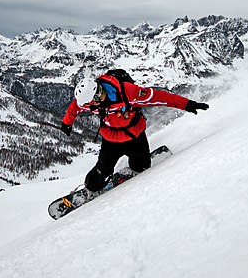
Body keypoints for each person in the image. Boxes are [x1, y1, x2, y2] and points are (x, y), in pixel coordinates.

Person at [61, 69, 208, 192]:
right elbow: (75, 107)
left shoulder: (128, 92)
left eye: (92, 101)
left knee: (142, 166)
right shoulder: (88, 102)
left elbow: (159, 97)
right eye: (90, 103)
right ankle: (91, 186)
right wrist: (67, 123)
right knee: (102, 170)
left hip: (134, 135)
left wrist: (187, 104)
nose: (90, 105)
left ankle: (136, 165)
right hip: (111, 138)